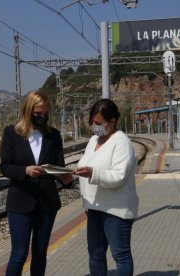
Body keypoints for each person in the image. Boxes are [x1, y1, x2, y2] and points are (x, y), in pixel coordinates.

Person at [0, 90, 72, 276]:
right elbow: (5, 167)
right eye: (38, 113)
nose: (42, 117)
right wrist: (25, 170)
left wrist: (65, 178)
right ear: (28, 110)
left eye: (46, 113)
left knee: (40, 252)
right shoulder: (11, 133)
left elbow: (59, 166)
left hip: (47, 203)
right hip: (20, 202)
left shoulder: (53, 135)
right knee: (19, 253)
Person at [74, 99, 139, 276]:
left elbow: (118, 176)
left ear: (112, 122)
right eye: (92, 122)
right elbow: (86, 166)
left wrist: (92, 173)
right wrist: (85, 203)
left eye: (98, 123)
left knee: (121, 255)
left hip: (116, 210)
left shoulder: (121, 142)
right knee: (95, 254)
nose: (94, 127)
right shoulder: (93, 140)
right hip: (95, 208)